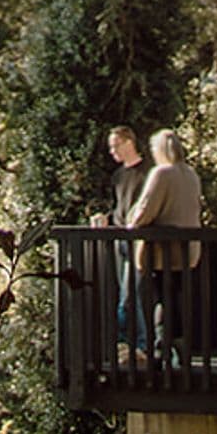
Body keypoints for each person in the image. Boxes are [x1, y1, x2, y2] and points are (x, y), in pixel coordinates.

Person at [128, 129, 203, 369]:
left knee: (157, 299)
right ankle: (179, 348)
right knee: (177, 299)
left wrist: (131, 222)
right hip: (188, 251)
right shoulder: (191, 174)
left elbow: (146, 209)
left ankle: (161, 348)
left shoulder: (162, 173)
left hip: (161, 253)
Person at [91, 127, 150, 354]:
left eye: (115, 145)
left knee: (128, 296)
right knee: (127, 295)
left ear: (128, 142)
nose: (112, 151)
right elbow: (119, 209)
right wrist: (105, 219)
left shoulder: (148, 172)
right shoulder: (117, 176)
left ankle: (136, 346)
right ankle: (136, 346)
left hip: (140, 241)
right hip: (120, 241)